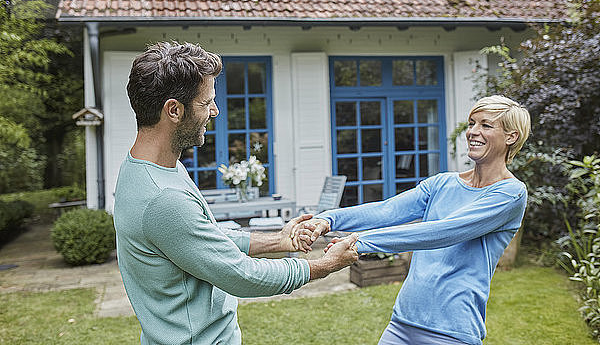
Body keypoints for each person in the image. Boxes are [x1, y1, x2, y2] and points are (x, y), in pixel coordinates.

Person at [113, 41, 358, 345]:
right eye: (206, 103)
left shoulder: (146, 168)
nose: (214, 111)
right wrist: (325, 265)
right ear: (174, 110)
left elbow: (204, 237)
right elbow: (240, 275)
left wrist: (276, 241)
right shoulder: (163, 198)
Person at [293, 95, 531, 345]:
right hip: (402, 322)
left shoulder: (510, 194)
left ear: (511, 137)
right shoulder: (442, 183)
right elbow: (387, 210)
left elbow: (443, 232)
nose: (472, 131)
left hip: (452, 331)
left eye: (485, 125)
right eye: (471, 123)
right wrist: (326, 220)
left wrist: (358, 243)